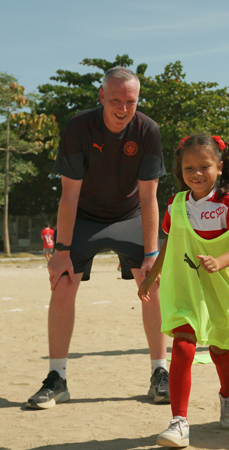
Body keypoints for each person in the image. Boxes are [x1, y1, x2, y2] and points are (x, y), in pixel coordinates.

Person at [27, 67, 169, 409]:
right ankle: (56, 378)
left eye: (131, 101)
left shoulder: (147, 130)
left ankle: (160, 373)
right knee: (63, 281)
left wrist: (152, 253)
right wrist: (61, 251)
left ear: (138, 100)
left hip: (130, 215)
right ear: (101, 96)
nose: (123, 108)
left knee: (152, 283)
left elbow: (150, 198)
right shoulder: (78, 127)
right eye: (116, 99)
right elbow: (69, 195)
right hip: (84, 217)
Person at [138, 134, 229, 448]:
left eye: (204, 166)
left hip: (222, 287)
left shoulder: (228, 203)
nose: (196, 172)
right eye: (189, 167)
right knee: (184, 344)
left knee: (220, 350)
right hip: (186, 285)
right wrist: (151, 277)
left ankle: (228, 394)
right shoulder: (176, 205)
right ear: (180, 170)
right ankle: (179, 421)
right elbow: (170, 245)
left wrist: (220, 260)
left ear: (220, 166)